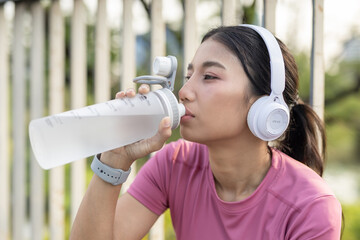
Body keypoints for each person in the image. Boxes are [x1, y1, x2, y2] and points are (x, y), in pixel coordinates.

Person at [70, 25, 342, 240]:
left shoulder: (311, 206)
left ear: (265, 106)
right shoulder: (175, 164)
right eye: (189, 77)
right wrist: (115, 159)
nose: (184, 92)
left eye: (209, 76)